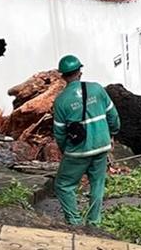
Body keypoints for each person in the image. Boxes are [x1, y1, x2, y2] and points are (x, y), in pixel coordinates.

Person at [51, 54, 120, 227]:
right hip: (101, 146)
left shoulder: (61, 101)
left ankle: (74, 222)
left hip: (78, 151)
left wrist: (64, 149)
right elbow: (113, 117)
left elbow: (59, 133)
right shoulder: (97, 89)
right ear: (80, 72)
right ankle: (94, 222)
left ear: (63, 76)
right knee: (97, 183)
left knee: (63, 185)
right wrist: (112, 134)